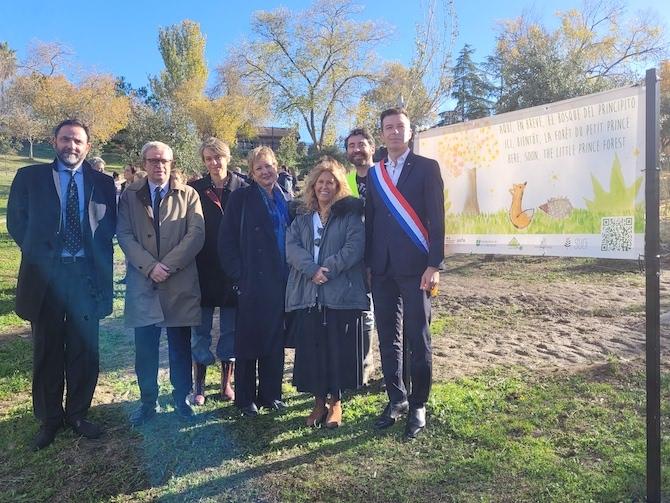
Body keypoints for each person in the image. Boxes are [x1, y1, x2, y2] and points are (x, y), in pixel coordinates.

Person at [7, 119, 117, 450]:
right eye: (66, 139)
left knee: (85, 349)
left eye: (78, 141)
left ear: (88, 147)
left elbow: (108, 224)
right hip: (46, 278)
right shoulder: (30, 177)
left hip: (86, 277)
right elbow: (16, 220)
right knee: (47, 348)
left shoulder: (102, 182)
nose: (72, 146)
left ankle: (78, 414)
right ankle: (49, 419)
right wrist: (42, 254)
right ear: (54, 141)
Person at [365, 108, 445, 440]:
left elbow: (438, 219)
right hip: (382, 270)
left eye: (400, 127)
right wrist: (369, 265)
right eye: (389, 128)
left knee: (418, 337)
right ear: (382, 134)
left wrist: (434, 265)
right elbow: (371, 221)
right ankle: (396, 399)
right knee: (388, 338)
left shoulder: (427, 168)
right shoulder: (374, 173)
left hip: (417, 270)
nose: (395, 132)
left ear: (410, 132)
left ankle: (418, 405)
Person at [117, 141, 205, 425]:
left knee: (180, 348)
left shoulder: (189, 194)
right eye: (153, 160)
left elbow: (196, 234)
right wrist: (149, 267)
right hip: (144, 284)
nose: (159, 165)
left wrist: (166, 265)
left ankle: (181, 400)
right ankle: (147, 402)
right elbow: (125, 235)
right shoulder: (130, 196)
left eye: (164, 160)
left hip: (178, 283)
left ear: (172, 162)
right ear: (144, 163)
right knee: (145, 350)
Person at [286, 157, 368, 428]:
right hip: (310, 294)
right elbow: (292, 247)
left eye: (330, 183)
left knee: (337, 351)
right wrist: (311, 270)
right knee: (313, 351)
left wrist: (327, 269)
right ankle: (318, 403)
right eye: (320, 182)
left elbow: (354, 248)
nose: (324, 187)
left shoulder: (350, 216)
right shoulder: (302, 218)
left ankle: (336, 404)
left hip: (340, 295)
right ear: (312, 186)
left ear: (338, 186)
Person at [219, 146, 292, 417]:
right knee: (248, 342)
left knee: (274, 340)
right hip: (251, 280)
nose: (265, 171)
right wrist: (239, 275)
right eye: (259, 167)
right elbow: (226, 240)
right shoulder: (242, 198)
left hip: (281, 281)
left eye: (269, 165)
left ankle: (271, 394)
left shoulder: (286, 198)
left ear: (278, 166)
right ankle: (245, 398)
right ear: (251, 172)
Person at [188, 138, 247, 405]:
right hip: (202, 268)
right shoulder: (194, 190)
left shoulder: (243, 188)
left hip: (233, 269)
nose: (214, 162)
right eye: (209, 158)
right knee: (199, 330)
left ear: (228, 157)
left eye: (219, 157)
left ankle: (227, 382)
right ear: (204, 161)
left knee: (230, 330)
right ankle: (198, 384)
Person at [344, 127, 377, 384]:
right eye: (352, 145)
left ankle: (395, 372)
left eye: (361, 144)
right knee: (363, 312)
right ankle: (362, 369)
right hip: (357, 257)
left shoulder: (386, 176)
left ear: (372, 147)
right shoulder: (345, 182)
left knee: (390, 315)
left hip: (386, 256)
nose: (357, 149)